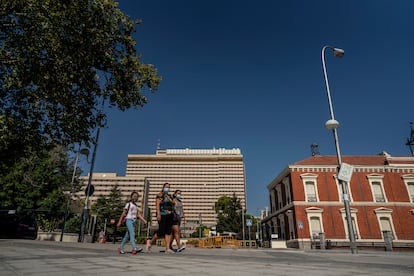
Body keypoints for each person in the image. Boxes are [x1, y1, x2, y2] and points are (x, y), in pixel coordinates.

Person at [148, 182, 175, 254]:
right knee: (161, 232)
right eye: (166, 187)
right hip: (162, 215)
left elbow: (172, 205)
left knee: (168, 232)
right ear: (163, 187)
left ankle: (167, 248)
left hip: (170, 215)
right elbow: (157, 205)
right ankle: (150, 242)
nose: (168, 188)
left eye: (169, 187)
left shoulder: (169, 196)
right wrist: (158, 214)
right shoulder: (160, 195)